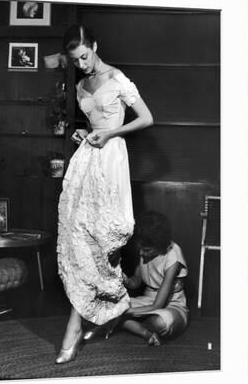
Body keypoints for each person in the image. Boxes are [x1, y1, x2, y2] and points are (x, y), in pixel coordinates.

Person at [55, 24, 153, 364]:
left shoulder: (117, 78)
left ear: (94, 45)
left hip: (111, 158)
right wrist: (84, 134)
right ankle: (81, 322)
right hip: (87, 159)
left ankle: (89, 318)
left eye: (85, 56)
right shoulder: (81, 84)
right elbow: (91, 120)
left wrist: (111, 135)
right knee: (78, 237)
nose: (82, 64)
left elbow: (146, 118)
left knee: (106, 235)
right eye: (75, 60)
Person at [120, 211, 189, 346]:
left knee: (159, 322)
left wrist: (127, 311)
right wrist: (126, 280)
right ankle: (144, 332)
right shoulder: (145, 246)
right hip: (146, 301)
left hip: (172, 305)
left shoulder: (173, 255)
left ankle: (126, 323)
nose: (141, 253)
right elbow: (136, 282)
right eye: (140, 248)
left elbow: (158, 305)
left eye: (146, 250)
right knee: (109, 307)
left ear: (162, 246)